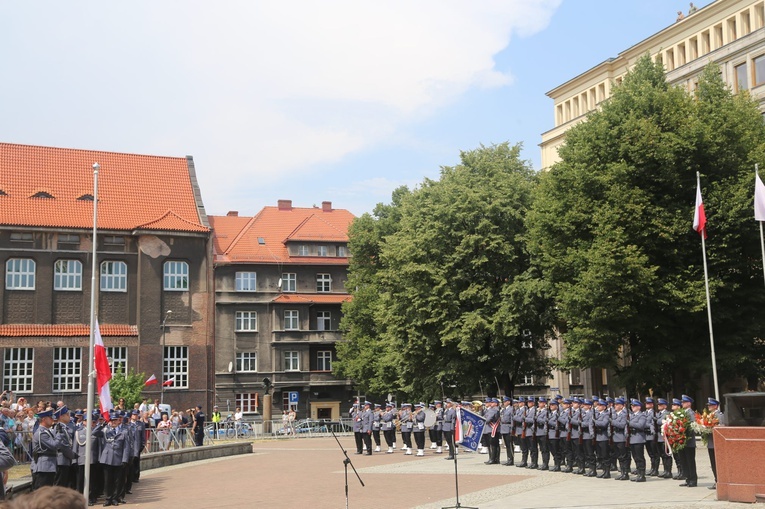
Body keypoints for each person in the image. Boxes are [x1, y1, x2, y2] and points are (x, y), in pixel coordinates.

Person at [31, 408, 61, 490]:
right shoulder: (41, 433)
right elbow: (54, 445)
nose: (52, 419)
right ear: (44, 419)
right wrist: (59, 433)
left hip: (48, 466)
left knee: (47, 493)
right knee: (42, 493)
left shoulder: (47, 431)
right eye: (50, 418)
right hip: (43, 468)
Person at [678, 394, 698, 487]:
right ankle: (687, 478)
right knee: (684, 460)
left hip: (689, 440)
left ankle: (693, 480)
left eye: (684, 402)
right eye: (682, 402)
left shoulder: (690, 413)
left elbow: (692, 425)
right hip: (681, 440)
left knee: (690, 461)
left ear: (689, 403)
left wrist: (683, 430)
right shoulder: (681, 412)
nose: (682, 403)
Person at [628, 399, 647, 482]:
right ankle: (638, 473)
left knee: (640, 457)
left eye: (634, 406)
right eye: (632, 406)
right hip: (632, 438)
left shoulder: (641, 415)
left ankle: (642, 475)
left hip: (639, 438)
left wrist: (629, 423)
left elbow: (640, 425)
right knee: (635, 457)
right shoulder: (632, 416)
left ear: (639, 407)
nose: (632, 407)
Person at [706, 397, 723, 489]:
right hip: (710, 443)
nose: (709, 407)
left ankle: (720, 481)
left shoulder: (719, 415)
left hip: (716, 443)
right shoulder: (709, 415)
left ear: (715, 406)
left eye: (711, 405)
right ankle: (716, 480)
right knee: (713, 463)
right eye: (708, 405)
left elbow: (722, 426)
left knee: (717, 463)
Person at [655, 398, 674, 478]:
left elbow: (660, 421)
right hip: (659, 437)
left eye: (661, 405)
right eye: (658, 405)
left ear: (665, 406)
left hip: (664, 437)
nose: (659, 406)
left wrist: (656, 420)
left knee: (666, 454)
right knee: (662, 454)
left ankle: (668, 471)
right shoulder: (658, 413)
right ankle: (665, 470)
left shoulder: (667, 413)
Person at [594, 399, 611, 478]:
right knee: (600, 455)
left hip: (604, 437)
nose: (598, 406)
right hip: (597, 437)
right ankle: (604, 470)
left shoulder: (606, 414)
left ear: (604, 407)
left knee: (605, 455)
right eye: (598, 405)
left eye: (600, 405)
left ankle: (607, 472)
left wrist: (595, 422)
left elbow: (604, 424)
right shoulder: (597, 414)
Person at [513, 397, 528, 468]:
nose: (518, 404)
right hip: (518, 430)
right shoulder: (518, 410)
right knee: (522, 447)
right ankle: (523, 460)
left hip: (523, 430)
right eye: (518, 402)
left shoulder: (525, 410)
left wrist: (515, 417)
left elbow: (521, 419)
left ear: (523, 403)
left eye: (520, 402)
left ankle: (524, 461)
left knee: (524, 447)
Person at [499, 396, 514, 466]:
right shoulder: (503, 410)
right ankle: (508, 458)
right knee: (506, 445)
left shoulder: (511, 409)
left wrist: (511, 429)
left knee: (510, 445)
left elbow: (512, 420)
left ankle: (511, 459)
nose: (504, 403)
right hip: (503, 428)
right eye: (503, 402)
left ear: (509, 402)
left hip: (508, 428)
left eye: (505, 401)